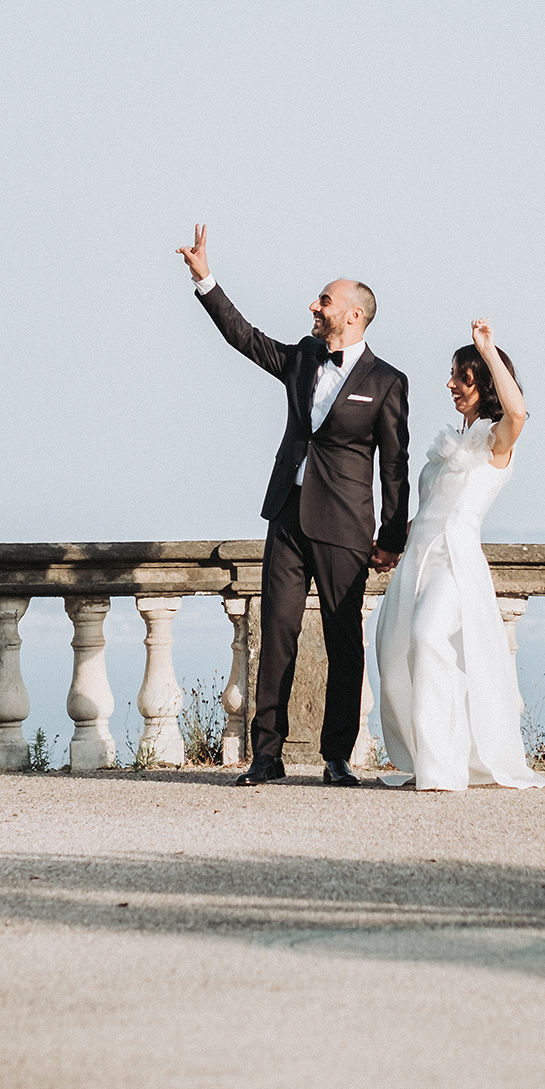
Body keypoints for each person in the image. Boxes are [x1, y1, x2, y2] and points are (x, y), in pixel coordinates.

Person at [175, 225, 409, 787]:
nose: (314, 305)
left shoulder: (387, 382)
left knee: (342, 640)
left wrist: (391, 537)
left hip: (346, 529)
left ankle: (336, 757)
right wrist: (206, 280)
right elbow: (245, 338)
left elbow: (394, 466)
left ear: (353, 314)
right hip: (287, 517)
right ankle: (267, 754)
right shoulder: (303, 356)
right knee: (276, 634)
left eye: (324, 300)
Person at [374, 319, 545, 791]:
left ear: (483, 384)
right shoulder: (450, 442)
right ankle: (430, 759)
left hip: (455, 559)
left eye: (461, 376)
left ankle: (442, 770)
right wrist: (392, 545)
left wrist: (488, 352)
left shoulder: (496, 441)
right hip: (417, 562)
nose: (450, 383)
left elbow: (519, 412)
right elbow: (429, 511)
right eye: (452, 374)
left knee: (429, 635)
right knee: (396, 656)